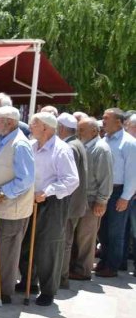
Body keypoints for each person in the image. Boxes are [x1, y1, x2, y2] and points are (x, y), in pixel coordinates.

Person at [18, 112, 79, 306]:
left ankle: (48, 290)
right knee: (27, 243)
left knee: (48, 247)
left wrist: (48, 191)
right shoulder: (32, 145)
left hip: (52, 202)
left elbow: (72, 180)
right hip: (30, 199)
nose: (30, 127)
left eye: (33, 124)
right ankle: (29, 281)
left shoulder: (62, 149)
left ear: (45, 127)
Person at [0, 106, 35, 305]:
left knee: (6, 253)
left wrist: (3, 192)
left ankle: (3, 292)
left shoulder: (20, 144)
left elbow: (26, 178)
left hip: (12, 209)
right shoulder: (2, 139)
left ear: (10, 122)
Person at [69, 117, 113, 280]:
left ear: (94, 131)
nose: (78, 133)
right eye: (78, 129)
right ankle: (75, 267)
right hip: (81, 198)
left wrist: (102, 201)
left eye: (82, 130)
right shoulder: (83, 146)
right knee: (77, 236)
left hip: (92, 200)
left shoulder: (101, 149)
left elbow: (106, 177)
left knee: (86, 237)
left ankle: (83, 271)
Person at [96, 108, 136, 277]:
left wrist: (125, 197)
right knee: (102, 229)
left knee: (116, 231)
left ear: (118, 122)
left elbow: (132, 173)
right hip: (104, 190)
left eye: (107, 118)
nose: (103, 121)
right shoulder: (104, 139)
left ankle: (112, 266)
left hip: (119, 191)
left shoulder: (129, 143)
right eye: (103, 118)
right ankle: (104, 261)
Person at [57, 113, 89, 290]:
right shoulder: (77, 144)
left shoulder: (70, 146)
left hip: (69, 206)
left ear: (61, 128)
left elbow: (69, 181)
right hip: (75, 205)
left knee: (64, 243)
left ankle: (61, 278)